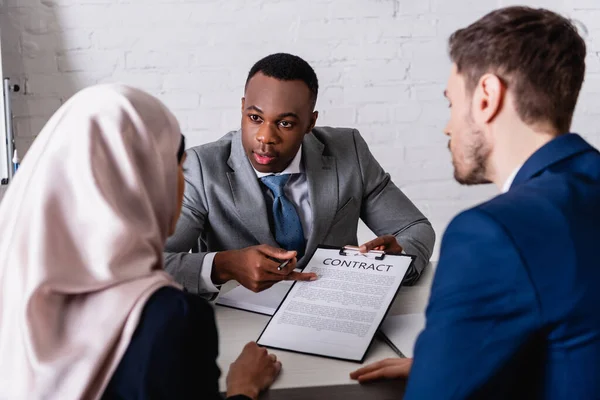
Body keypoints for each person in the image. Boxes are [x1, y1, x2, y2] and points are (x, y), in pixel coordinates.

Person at [351, 6, 600, 398]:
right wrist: (457, 359)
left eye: (452, 102)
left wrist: (437, 375)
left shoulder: (492, 233)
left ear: (486, 96)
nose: (449, 125)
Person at [0, 84, 280, 400]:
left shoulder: (12, 288)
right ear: (145, 179)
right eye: (178, 167)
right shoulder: (171, 321)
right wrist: (243, 388)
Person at [164, 53, 435, 295]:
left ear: (310, 123)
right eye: (255, 118)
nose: (265, 137)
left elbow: (415, 228)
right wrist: (224, 266)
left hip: (334, 315)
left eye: (285, 123)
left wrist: (397, 256)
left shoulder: (348, 151)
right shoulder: (201, 167)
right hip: (237, 328)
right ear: (243, 108)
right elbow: (147, 264)